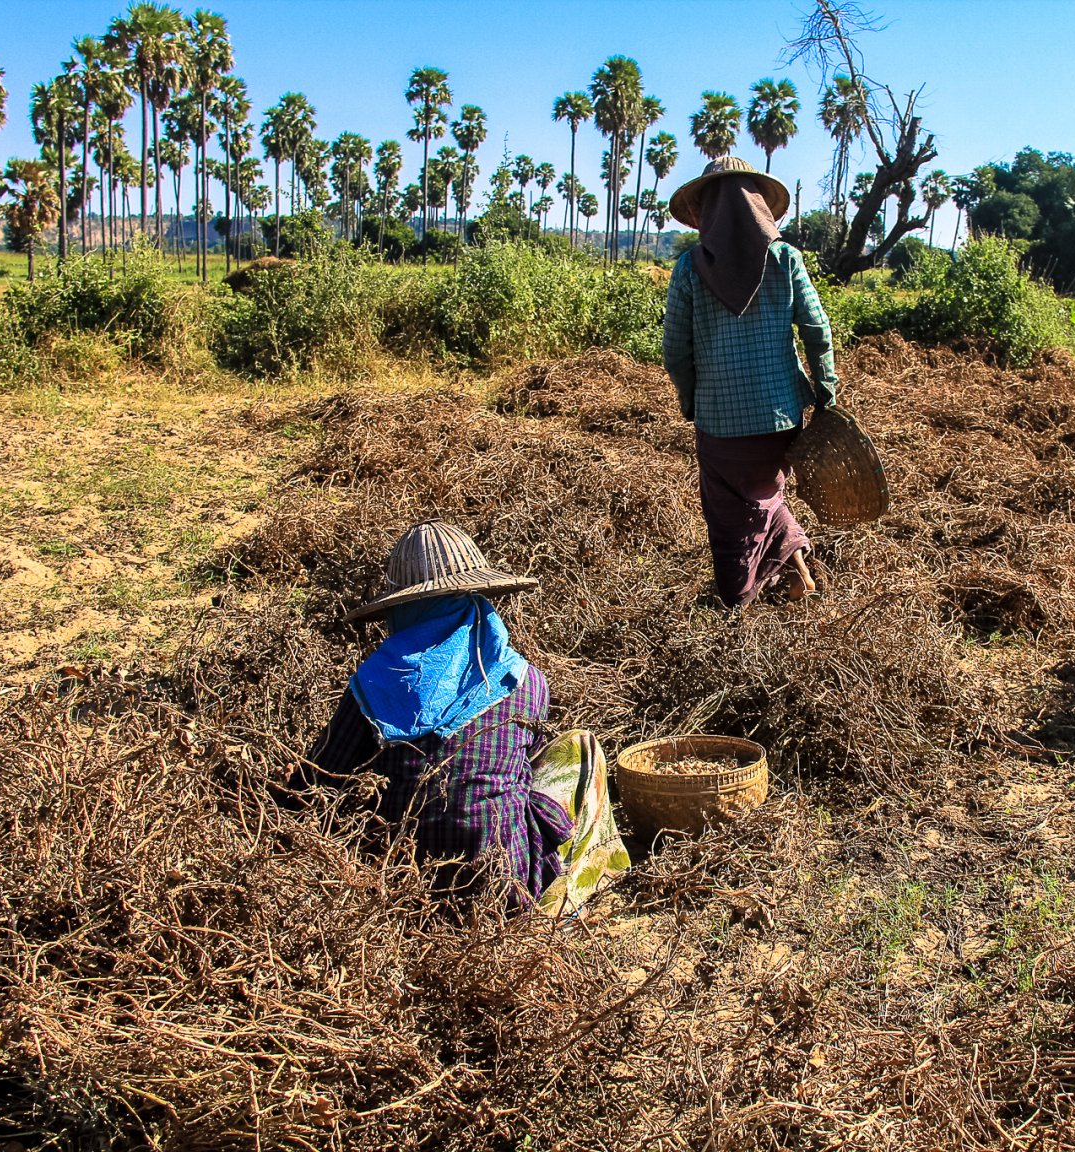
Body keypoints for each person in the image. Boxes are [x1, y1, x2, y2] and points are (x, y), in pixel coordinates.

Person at [300, 520, 627, 914]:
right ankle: (577, 883)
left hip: (398, 885)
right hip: (505, 886)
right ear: (475, 600)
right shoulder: (524, 681)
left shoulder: (370, 686)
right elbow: (527, 765)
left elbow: (320, 783)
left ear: (402, 611)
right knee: (581, 748)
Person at [662, 156, 838, 609]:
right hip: (781, 416)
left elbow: (675, 351)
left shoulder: (688, 269)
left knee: (729, 519)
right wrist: (825, 391)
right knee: (765, 494)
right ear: (758, 205)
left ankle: (736, 612)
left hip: (720, 423)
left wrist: (690, 400)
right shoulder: (786, 259)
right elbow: (817, 329)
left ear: (706, 211)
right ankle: (800, 573)